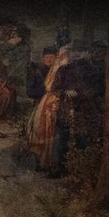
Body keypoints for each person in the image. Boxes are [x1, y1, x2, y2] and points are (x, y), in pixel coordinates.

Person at [28, 45, 72, 176]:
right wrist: (44, 94)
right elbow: (30, 91)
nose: (48, 60)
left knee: (52, 133)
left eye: (51, 57)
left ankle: (51, 163)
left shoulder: (61, 70)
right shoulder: (37, 71)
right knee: (39, 131)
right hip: (41, 104)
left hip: (53, 105)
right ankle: (41, 162)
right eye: (46, 57)